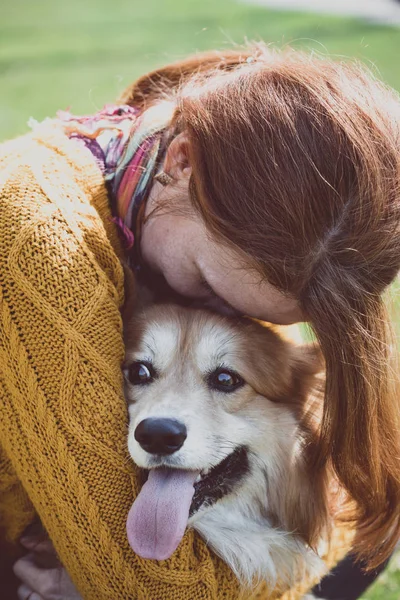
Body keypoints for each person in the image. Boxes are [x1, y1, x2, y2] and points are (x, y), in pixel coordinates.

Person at [1, 44, 400, 600]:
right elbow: (139, 585)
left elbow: (356, 502)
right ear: (181, 163)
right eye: (213, 287)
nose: (223, 314)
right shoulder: (35, 237)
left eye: (257, 317)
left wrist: (322, 541)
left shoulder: (160, 186)